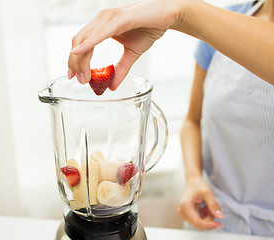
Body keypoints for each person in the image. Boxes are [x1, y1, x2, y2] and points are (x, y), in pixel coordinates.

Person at [67, 0, 274, 236]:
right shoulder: (227, 22)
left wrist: (182, 12)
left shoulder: (215, 23)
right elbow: (192, 122)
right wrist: (194, 179)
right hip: (215, 217)